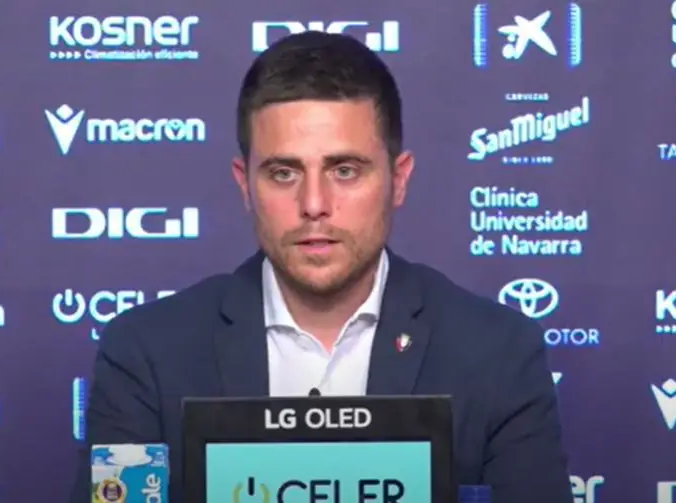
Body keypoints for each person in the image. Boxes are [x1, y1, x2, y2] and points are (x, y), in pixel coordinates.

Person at [69, 31, 573, 503]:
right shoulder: (146, 353)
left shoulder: (497, 353)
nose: (314, 204)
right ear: (245, 185)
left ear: (398, 180)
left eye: (345, 170)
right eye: (283, 173)